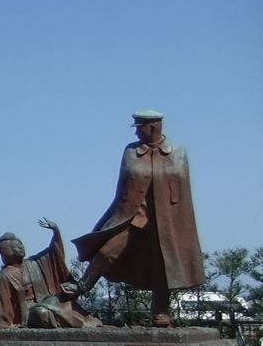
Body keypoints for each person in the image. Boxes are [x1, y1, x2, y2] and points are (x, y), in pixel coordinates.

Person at [66, 110, 204, 327]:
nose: (137, 131)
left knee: (162, 265)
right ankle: (79, 289)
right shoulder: (131, 151)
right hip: (132, 215)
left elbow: (183, 193)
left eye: (140, 126)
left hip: (164, 220)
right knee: (107, 250)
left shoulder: (178, 153)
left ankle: (161, 312)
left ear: (153, 127)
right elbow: (122, 187)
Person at [0, 219, 100, 328]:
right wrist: (0, 324)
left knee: (59, 302)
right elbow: (2, 307)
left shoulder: (32, 263)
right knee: (41, 313)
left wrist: (56, 232)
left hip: (46, 302)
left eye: (21, 245)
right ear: (7, 252)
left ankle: (87, 324)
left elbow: (53, 253)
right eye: (17, 247)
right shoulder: (5, 276)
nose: (21, 248)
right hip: (29, 311)